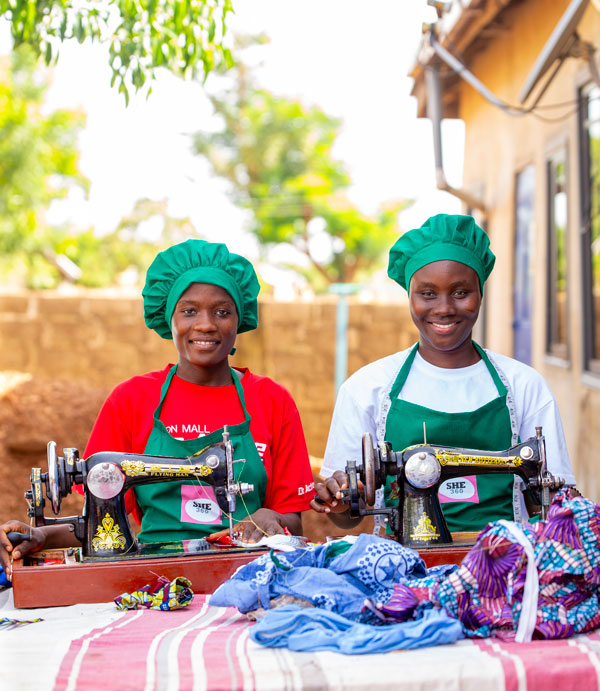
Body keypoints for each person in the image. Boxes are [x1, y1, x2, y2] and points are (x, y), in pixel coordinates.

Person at [0, 239, 314, 572]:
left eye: (222, 311)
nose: (206, 324)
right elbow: (102, 520)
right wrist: (40, 536)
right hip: (152, 574)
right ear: (169, 317)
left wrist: (271, 518)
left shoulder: (272, 401)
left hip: (249, 571)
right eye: (189, 311)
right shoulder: (131, 400)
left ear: (239, 318)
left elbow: (293, 523)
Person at [310, 213, 576, 533]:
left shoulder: (525, 385)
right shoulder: (367, 388)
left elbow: (553, 499)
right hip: (403, 557)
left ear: (480, 294)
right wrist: (340, 500)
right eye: (428, 293)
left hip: (504, 554)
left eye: (461, 292)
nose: (444, 308)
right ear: (410, 296)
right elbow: (346, 516)